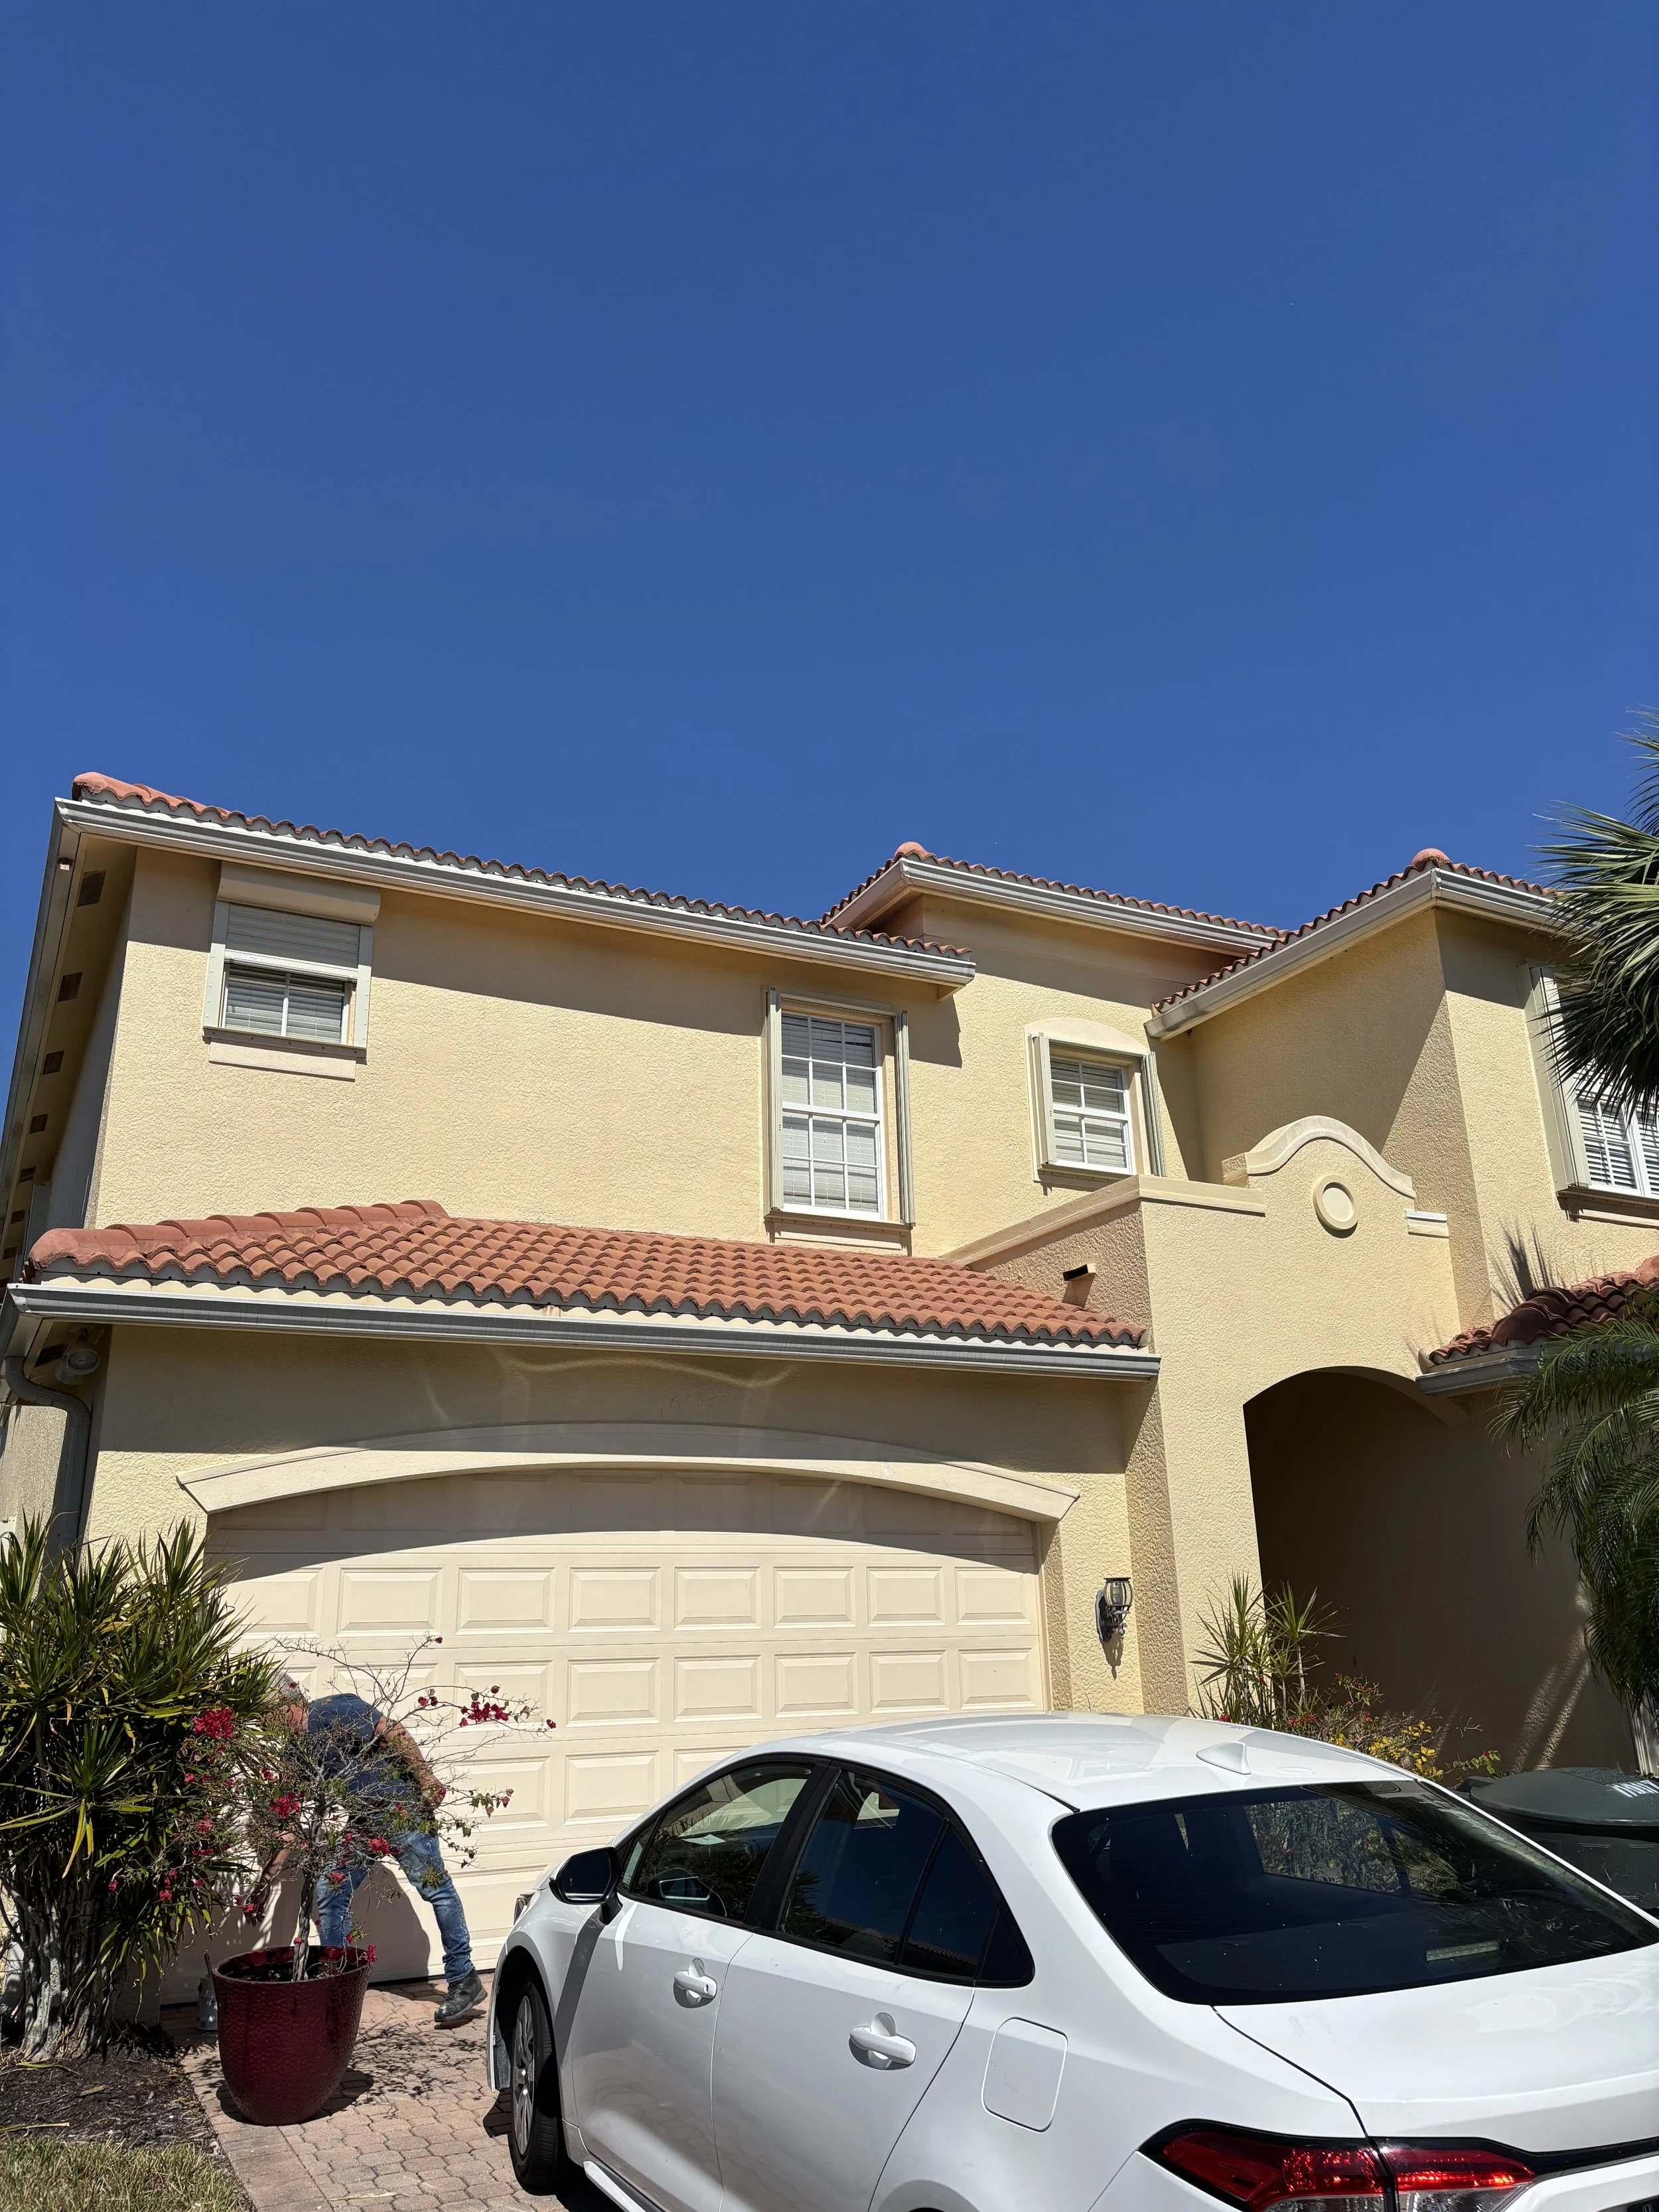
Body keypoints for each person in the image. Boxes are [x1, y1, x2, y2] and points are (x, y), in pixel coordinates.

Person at [273, 1676, 485, 2028]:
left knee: (436, 1889)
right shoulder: (296, 1751)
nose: (268, 1725)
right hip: (365, 1821)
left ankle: (463, 1978)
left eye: (269, 1715)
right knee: (331, 1889)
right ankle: (338, 1989)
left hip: (402, 1809)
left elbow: (394, 1731)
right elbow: (287, 1820)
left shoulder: (333, 1709)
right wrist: (265, 1882)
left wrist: (426, 1777)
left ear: (287, 1705)